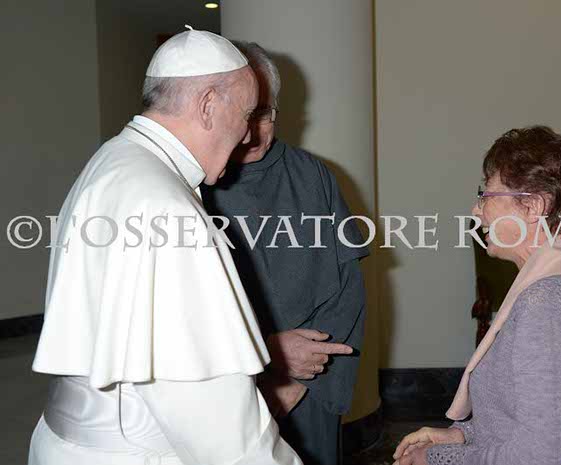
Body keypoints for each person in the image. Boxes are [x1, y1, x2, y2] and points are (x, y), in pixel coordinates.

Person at [28, 28, 301, 465]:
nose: (249, 135)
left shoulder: (115, 160)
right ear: (208, 105)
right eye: (247, 114)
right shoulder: (168, 207)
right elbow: (214, 419)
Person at [393, 126, 561, 465]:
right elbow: (526, 417)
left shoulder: (546, 304)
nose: (476, 210)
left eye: (486, 195)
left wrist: (437, 459)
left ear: (534, 206)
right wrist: (461, 435)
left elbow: (540, 456)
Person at [202, 41, 368, 465]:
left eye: (264, 114)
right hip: (225, 383)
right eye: (245, 115)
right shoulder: (192, 182)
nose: (253, 132)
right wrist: (267, 353)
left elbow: (348, 290)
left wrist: (299, 384)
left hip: (311, 379)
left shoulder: (314, 175)